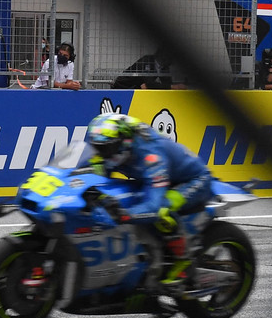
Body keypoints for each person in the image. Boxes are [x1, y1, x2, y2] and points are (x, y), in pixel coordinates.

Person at [86, 112, 213, 287]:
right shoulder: (112, 150)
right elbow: (93, 179)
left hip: (192, 181)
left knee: (162, 210)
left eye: (105, 149)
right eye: (97, 147)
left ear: (124, 141)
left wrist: (125, 214)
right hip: (153, 179)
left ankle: (184, 261)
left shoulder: (151, 155)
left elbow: (153, 207)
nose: (101, 154)